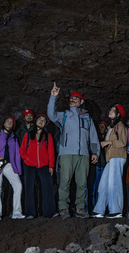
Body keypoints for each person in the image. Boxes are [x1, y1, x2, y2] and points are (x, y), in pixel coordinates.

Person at [47, 82, 100, 219]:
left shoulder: (87, 118)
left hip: (83, 155)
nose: (72, 99)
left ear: (81, 101)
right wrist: (53, 97)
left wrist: (95, 152)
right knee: (64, 182)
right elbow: (51, 115)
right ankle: (63, 208)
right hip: (66, 154)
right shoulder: (64, 115)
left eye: (75, 98)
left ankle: (80, 208)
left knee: (82, 183)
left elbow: (93, 137)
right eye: (71, 98)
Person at [92, 105, 128, 219]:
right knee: (103, 185)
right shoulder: (110, 127)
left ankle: (116, 210)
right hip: (110, 158)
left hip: (118, 156)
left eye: (113, 110)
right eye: (110, 109)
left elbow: (123, 142)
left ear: (118, 115)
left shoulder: (120, 125)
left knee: (114, 183)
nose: (110, 111)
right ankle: (99, 210)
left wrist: (108, 142)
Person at [0, 116, 25, 221]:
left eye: (11, 122)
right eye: (7, 121)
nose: (9, 122)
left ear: (13, 126)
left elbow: (17, 155)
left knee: (18, 185)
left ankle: (16, 212)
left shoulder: (14, 138)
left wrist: (18, 170)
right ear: (4, 123)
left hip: (8, 165)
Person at [19, 114, 56, 219]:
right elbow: (22, 150)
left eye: (44, 120)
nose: (41, 121)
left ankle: (49, 212)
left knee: (48, 187)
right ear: (35, 121)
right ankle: (30, 213)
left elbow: (51, 152)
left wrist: (51, 166)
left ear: (45, 124)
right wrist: (26, 159)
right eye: (40, 119)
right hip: (29, 164)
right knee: (29, 188)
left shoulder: (47, 136)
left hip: (44, 165)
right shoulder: (28, 134)